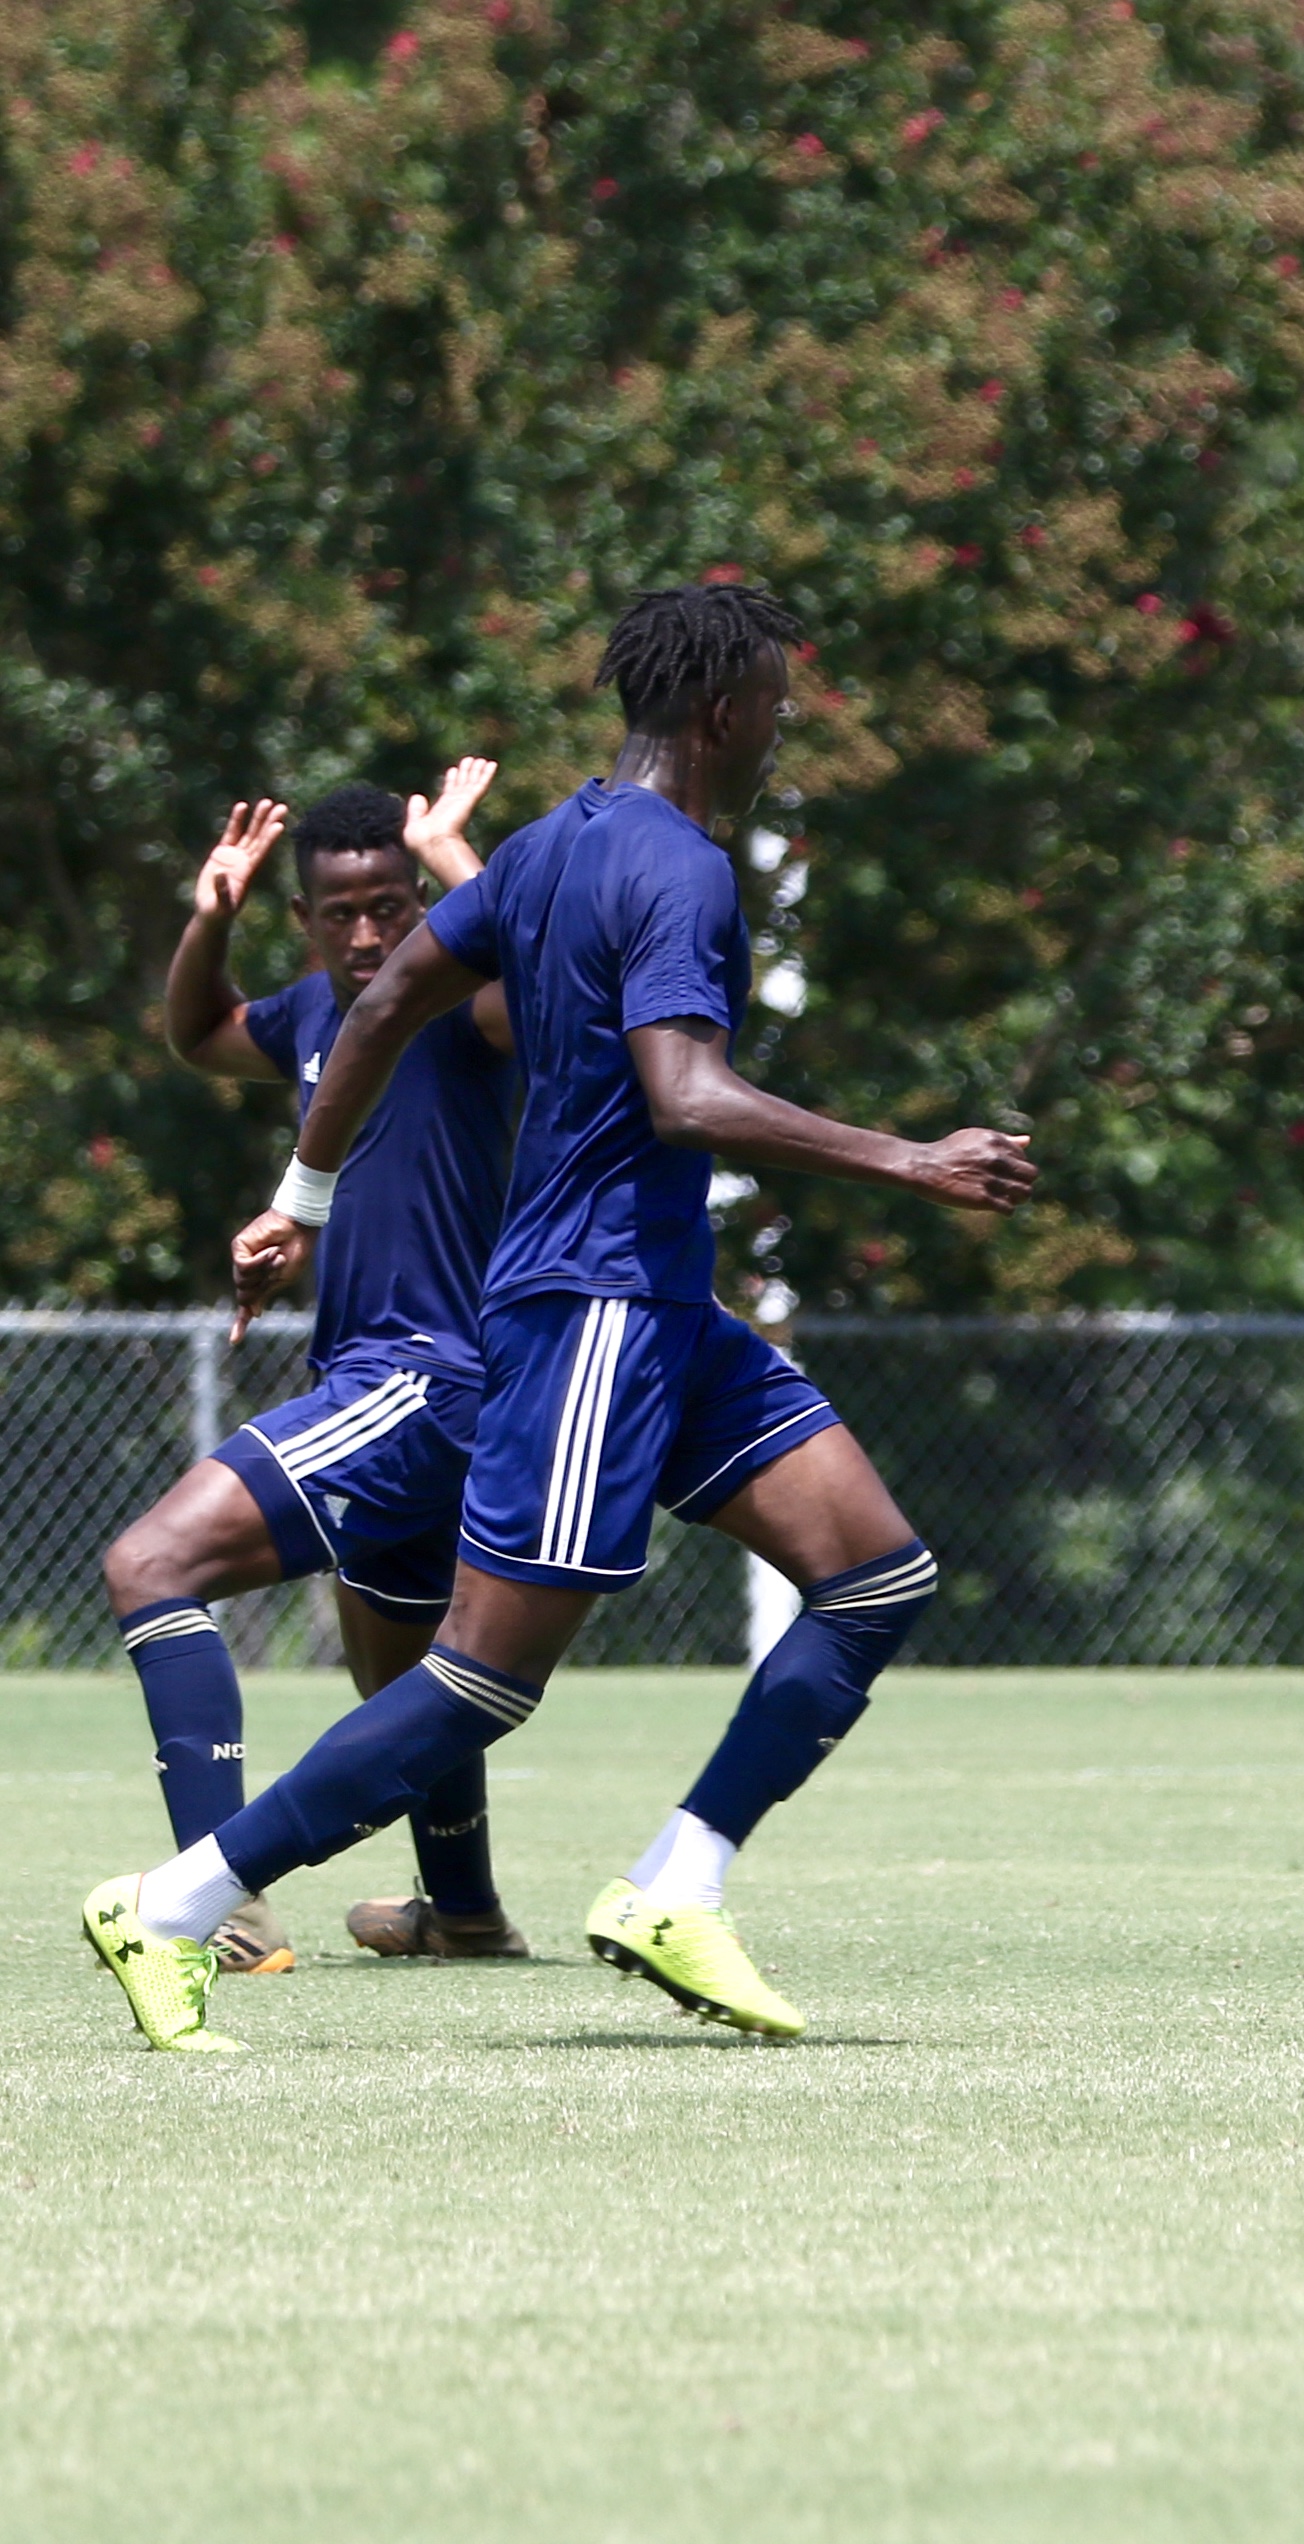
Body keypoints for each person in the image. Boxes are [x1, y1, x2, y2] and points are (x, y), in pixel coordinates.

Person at [82, 582, 1036, 2054]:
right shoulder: (684, 870)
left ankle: (679, 1882)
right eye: (777, 706)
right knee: (478, 1683)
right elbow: (685, 1095)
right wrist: (911, 1158)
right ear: (725, 712)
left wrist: (304, 1192)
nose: (781, 731)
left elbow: (393, 996)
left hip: (662, 1309)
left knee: (877, 1575)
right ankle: (185, 1902)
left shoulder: (545, 846)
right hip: (592, 1309)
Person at [102, 765, 518, 1971]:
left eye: (389, 902)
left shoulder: (463, 1007)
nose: (369, 931)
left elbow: (553, 985)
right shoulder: (306, 1016)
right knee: (408, 1679)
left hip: (424, 1378)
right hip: (394, 1382)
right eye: (339, 911)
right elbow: (195, 1036)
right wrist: (209, 915)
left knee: (151, 1561)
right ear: (307, 918)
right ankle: (465, 1915)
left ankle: (216, 1907)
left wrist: (454, 858)